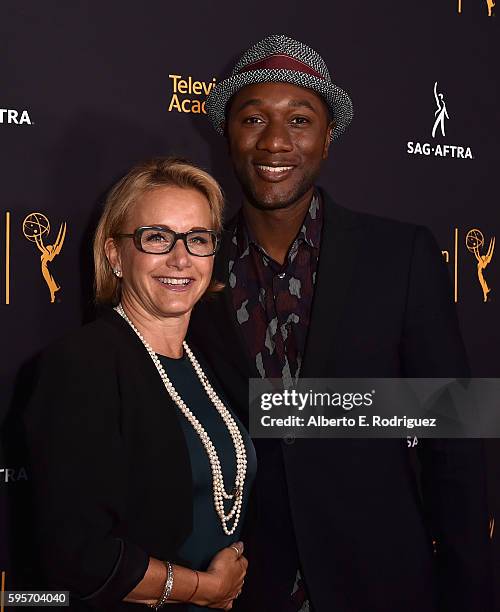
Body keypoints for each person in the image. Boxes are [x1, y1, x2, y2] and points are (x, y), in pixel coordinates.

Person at [188, 35, 493, 611]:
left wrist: (469, 591)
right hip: (243, 588)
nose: (275, 140)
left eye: (299, 120)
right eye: (253, 118)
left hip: (385, 581)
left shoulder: (400, 255)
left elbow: (453, 438)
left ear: (327, 139)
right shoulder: (191, 268)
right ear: (227, 135)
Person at [24, 157, 256, 611]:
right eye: (157, 238)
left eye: (198, 239)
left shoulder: (213, 359)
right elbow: (80, 555)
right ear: (115, 254)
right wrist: (204, 589)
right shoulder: (80, 364)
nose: (181, 258)